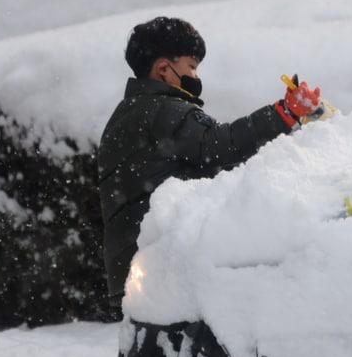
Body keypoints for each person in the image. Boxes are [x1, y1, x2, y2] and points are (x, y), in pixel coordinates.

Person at [98, 16, 324, 301]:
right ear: (164, 69)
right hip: (162, 261)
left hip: (134, 262)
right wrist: (282, 115)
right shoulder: (165, 110)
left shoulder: (129, 114)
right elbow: (219, 146)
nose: (197, 76)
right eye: (191, 66)